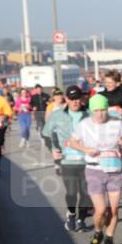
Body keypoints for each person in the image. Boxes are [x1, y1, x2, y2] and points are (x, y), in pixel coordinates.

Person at [69, 94, 122, 244]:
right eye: (97, 110)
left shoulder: (116, 122)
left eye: (103, 109)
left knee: (114, 210)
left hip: (115, 170)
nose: (100, 113)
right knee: (101, 210)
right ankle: (97, 233)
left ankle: (109, 239)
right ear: (91, 110)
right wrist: (86, 149)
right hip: (94, 170)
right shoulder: (84, 124)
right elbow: (72, 142)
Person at [43, 85, 92, 229]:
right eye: (72, 99)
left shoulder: (89, 115)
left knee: (85, 192)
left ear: (81, 98)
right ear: (66, 99)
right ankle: (71, 213)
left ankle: (81, 219)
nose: (75, 101)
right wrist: (53, 149)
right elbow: (47, 134)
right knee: (71, 192)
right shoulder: (57, 115)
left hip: (86, 160)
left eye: (77, 98)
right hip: (66, 160)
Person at [30, 84, 50, 150]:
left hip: (45, 112)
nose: (39, 90)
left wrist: (48, 103)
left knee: (45, 125)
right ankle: (43, 137)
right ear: (35, 90)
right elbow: (31, 104)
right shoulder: (33, 97)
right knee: (41, 125)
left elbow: (50, 102)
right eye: (38, 89)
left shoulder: (46, 95)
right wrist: (33, 107)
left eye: (40, 89)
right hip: (38, 112)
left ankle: (45, 135)